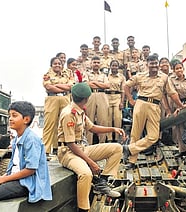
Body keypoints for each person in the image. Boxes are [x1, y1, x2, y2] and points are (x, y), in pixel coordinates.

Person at [57, 82, 125, 212]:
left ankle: (102, 182)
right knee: (86, 174)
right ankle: (83, 209)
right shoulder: (68, 114)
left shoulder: (79, 111)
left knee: (116, 148)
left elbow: (92, 127)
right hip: (68, 153)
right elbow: (70, 144)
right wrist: (91, 163)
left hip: (81, 148)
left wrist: (113, 129)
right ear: (86, 99)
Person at [0, 101, 52, 211]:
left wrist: (3, 179)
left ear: (26, 119)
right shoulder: (17, 139)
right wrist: (1, 178)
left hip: (26, 183)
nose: (10, 119)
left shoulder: (31, 139)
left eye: (14, 115)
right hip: (18, 181)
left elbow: (31, 169)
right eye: (9, 115)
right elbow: (15, 166)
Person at [122, 55, 185, 169]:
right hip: (141, 103)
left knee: (153, 136)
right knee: (135, 134)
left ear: (158, 64)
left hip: (155, 106)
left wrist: (181, 105)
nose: (154, 66)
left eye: (156, 63)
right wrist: (130, 99)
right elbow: (126, 85)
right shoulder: (140, 75)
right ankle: (131, 162)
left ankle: (129, 149)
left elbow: (172, 93)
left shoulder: (164, 77)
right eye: (151, 63)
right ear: (147, 64)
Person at [42, 57, 72, 155]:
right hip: (52, 99)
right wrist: (63, 88)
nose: (57, 65)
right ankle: (45, 150)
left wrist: (56, 86)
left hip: (65, 99)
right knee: (49, 125)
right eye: (55, 64)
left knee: (64, 124)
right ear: (51, 65)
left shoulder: (67, 75)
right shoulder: (47, 75)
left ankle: (59, 148)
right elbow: (48, 87)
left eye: (59, 64)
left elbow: (70, 86)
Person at [168, 61, 186, 158]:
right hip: (178, 105)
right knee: (179, 128)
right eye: (177, 68)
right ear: (173, 70)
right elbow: (173, 94)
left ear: (183, 69)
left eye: (180, 68)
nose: (179, 70)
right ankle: (182, 150)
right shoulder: (171, 80)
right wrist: (180, 106)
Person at [85, 56, 110, 144]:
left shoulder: (103, 75)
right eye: (94, 62)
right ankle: (89, 144)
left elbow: (107, 86)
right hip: (90, 95)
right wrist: (100, 84)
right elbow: (87, 84)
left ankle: (102, 143)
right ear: (91, 63)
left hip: (102, 96)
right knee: (89, 120)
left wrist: (94, 82)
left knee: (103, 120)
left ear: (100, 64)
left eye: (98, 62)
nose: (96, 64)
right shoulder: (86, 74)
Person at [106, 60, 126, 142]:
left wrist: (122, 102)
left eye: (116, 65)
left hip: (117, 97)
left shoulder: (121, 77)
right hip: (107, 97)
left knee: (117, 118)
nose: (114, 67)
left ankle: (118, 138)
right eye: (113, 65)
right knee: (108, 118)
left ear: (118, 67)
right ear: (110, 67)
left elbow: (123, 90)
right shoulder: (106, 76)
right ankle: (109, 138)